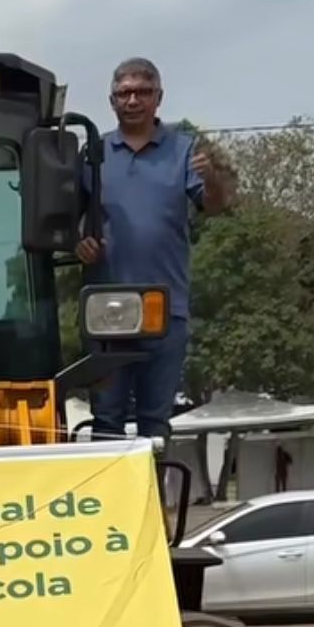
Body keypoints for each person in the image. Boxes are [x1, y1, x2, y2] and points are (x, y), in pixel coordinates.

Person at [77, 58, 233, 444]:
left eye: (143, 92)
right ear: (112, 101)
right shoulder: (92, 153)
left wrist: (212, 179)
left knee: (155, 422)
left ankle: (154, 485)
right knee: (107, 420)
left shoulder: (183, 149)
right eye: (124, 93)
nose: (133, 100)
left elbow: (214, 205)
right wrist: (79, 244)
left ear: (158, 98)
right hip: (106, 309)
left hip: (164, 307)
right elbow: (66, 221)